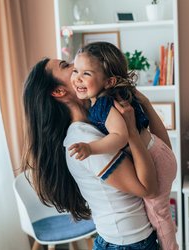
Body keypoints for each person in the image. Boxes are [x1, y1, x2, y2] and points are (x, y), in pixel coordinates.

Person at [21, 58, 161, 249]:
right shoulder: (84, 140)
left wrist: (145, 104)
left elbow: (162, 151)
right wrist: (132, 132)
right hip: (128, 243)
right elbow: (148, 188)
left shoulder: (99, 123)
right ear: (59, 92)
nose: (76, 66)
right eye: (66, 66)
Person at [68, 42, 178, 250]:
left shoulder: (105, 105)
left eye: (86, 74)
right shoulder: (114, 96)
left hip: (155, 158)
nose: (77, 78)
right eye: (75, 70)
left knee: (159, 214)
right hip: (159, 150)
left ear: (108, 81)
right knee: (158, 212)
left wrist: (91, 148)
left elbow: (120, 135)